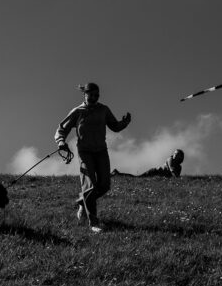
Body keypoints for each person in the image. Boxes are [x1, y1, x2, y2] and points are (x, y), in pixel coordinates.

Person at [55, 82, 131, 233]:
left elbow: (114, 126)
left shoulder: (104, 110)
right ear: (85, 94)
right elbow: (62, 128)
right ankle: (93, 223)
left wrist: (124, 123)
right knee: (90, 186)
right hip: (85, 152)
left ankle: (82, 201)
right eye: (91, 95)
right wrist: (61, 141)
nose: (94, 97)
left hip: (101, 151)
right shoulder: (78, 111)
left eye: (97, 95)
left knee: (104, 185)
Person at [112, 149, 184, 178]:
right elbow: (172, 170)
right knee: (137, 178)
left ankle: (117, 174)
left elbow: (175, 176)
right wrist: (178, 179)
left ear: (181, 157)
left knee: (138, 178)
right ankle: (117, 174)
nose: (175, 155)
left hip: (160, 176)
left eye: (177, 154)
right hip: (154, 172)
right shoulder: (170, 159)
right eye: (174, 153)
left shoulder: (179, 167)